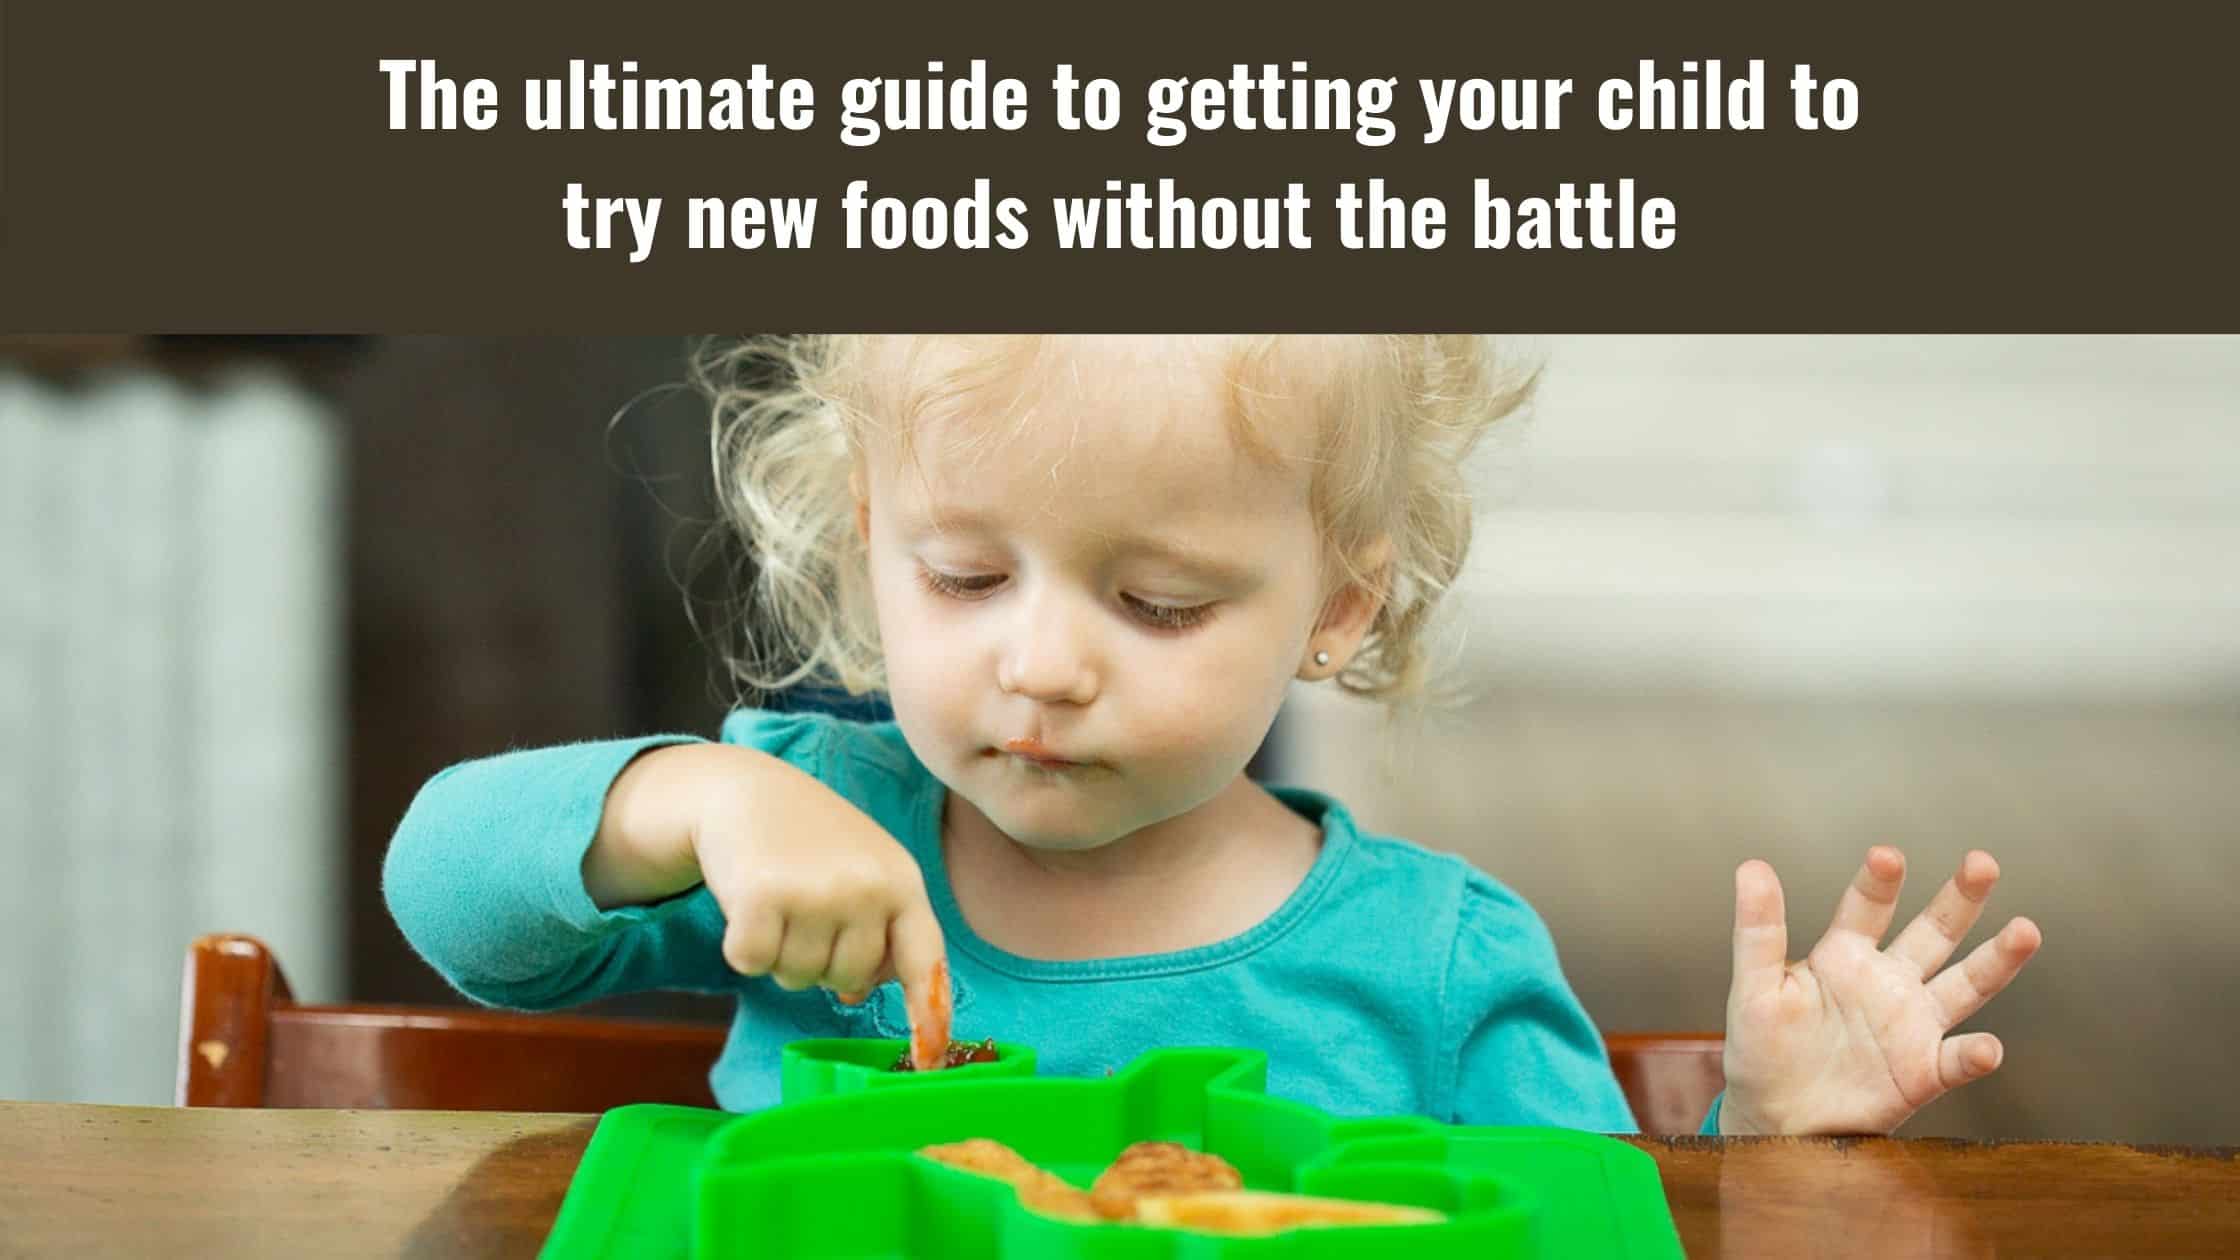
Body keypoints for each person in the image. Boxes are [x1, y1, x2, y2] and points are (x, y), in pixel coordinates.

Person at [384, 335, 2041, 1133]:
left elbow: (1580, 1236)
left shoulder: (1440, 969)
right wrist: (695, 797)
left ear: (1335, 606)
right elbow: (444, 893)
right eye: (964, 576)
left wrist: (1765, 1150)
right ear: (868, 533)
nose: (1042, 665)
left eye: (1158, 605)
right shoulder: (808, 833)